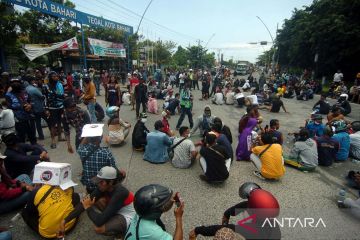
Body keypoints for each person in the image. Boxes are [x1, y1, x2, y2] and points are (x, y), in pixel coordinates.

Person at [59, 166, 133, 238]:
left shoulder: (120, 193)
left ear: (111, 182)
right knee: (95, 200)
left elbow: (99, 221)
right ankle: (111, 219)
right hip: (117, 209)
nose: (98, 184)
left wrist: (88, 208)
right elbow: (83, 203)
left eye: (101, 182)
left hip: (127, 215)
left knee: (98, 229)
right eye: (98, 181)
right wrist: (65, 220)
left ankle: (121, 232)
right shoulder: (103, 187)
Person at [189, 182, 281, 240]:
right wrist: (228, 213)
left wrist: (198, 230)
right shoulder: (274, 225)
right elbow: (245, 206)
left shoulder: (248, 230)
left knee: (223, 234)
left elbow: (219, 229)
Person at [22, 162, 79, 239]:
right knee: (75, 196)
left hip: (50, 234)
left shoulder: (35, 192)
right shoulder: (68, 186)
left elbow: (30, 210)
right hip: (71, 224)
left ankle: (47, 226)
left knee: (25, 213)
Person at [77, 124, 118, 193]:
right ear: (101, 138)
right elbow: (113, 170)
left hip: (89, 186)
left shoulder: (81, 150)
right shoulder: (106, 153)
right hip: (103, 186)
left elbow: (81, 144)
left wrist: (88, 133)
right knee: (122, 173)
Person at [5, 77, 36, 145]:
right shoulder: (8, 95)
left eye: (17, 82)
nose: (15, 84)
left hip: (29, 116)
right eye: (13, 83)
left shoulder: (24, 92)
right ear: (11, 84)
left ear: (20, 83)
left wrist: (30, 105)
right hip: (18, 118)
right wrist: (22, 106)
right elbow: (9, 107)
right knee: (21, 136)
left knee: (32, 133)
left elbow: (32, 101)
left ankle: (35, 147)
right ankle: (22, 150)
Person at [43, 71, 65, 148]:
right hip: (52, 108)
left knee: (59, 122)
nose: (55, 77)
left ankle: (60, 137)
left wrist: (64, 105)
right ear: (50, 78)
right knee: (52, 125)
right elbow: (44, 98)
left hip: (60, 107)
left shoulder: (60, 85)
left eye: (56, 76)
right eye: (53, 76)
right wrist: (46, 109)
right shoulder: (46, 86)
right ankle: (53, 140)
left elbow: (62, 95)